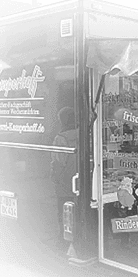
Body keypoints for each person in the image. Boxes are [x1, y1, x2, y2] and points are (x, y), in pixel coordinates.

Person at [50, 106, 78, 253]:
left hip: (66, 185)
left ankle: (64, 246)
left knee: (65, 216)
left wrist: (54, 179)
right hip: (83, 183)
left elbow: (58, 164)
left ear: (62, 121)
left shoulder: (60, 139)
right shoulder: (86, 133)